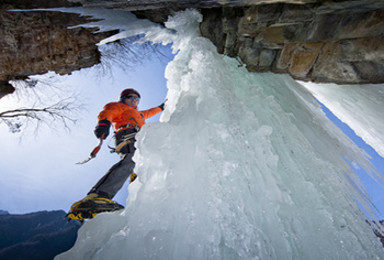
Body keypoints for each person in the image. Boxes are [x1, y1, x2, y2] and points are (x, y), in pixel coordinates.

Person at [68, 88, 164, 220]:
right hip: (127, 135)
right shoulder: (120, 107)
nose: (135, 100)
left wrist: (162, 107)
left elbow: (150, 112)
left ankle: (140, 191)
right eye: (131, 97)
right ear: (124, 98)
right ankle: (99, 195)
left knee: (143, 165)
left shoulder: (139, 114)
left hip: (141, 137)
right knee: (131, 159)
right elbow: (108, 113)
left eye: (137, 99)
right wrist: (103, 124)